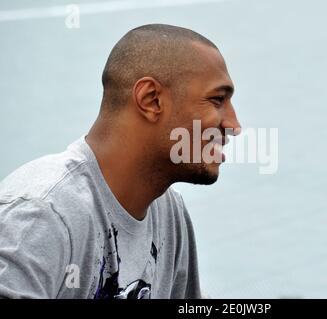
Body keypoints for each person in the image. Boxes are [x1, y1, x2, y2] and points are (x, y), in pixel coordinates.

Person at [0, 24, 241, 299]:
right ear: (151, 100)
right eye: (217, 100)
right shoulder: (41, 217)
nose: (234, 125)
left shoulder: (168, 213)